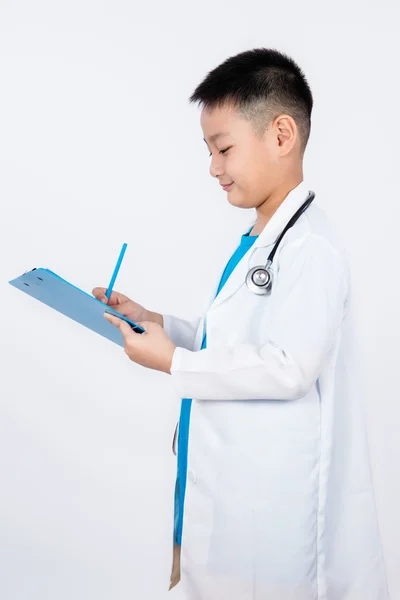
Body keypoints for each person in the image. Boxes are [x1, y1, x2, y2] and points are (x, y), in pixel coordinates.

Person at [93, 48, 389, 600]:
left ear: (281, 136)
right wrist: (156, 324)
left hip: (269, 528)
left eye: (223, 148)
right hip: (222, 506)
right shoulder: (261, 240)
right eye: (208, 150)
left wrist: (174, 361)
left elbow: (289, 368)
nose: (212, 167)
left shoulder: (311, 247)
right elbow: (231, 343)